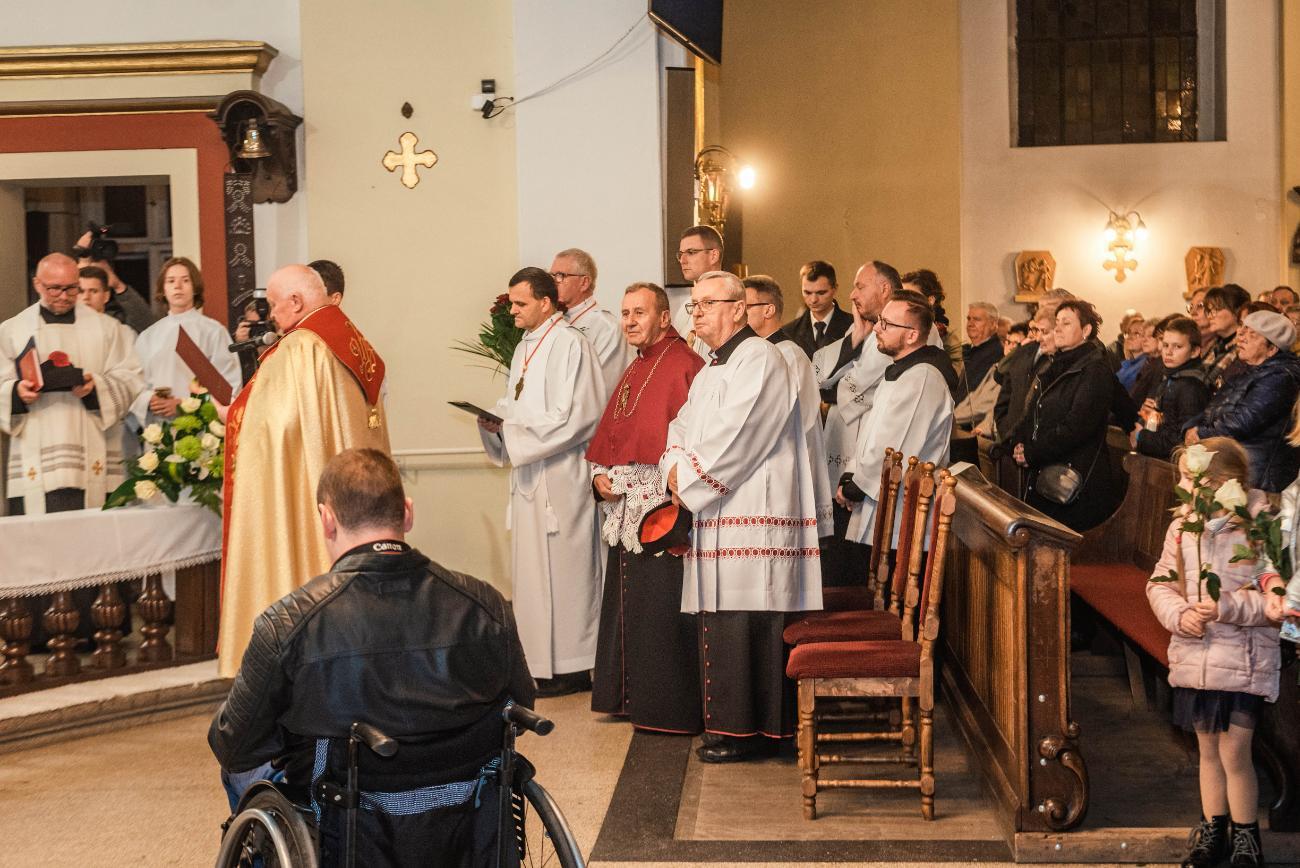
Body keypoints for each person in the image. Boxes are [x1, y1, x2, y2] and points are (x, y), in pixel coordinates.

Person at [209, 448, 534, 864]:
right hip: (464, 813)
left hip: (346, 817)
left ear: (327, 519)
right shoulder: (486, 605)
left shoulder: (289, 622)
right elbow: (520, 705)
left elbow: (235, 745)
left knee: (241, 768)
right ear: (407, 513)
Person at [661, 270, 821, 762]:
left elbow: (739, 435)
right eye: (694, 306)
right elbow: (679, 427)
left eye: (707, 304)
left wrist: (687, 478)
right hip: (719, 511)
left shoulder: (762, 359)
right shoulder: (711, 369)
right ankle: (728, 729)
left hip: (755, 514)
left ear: (737, 308)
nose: (697, 314)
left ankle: (756, 733)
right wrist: (673, 466)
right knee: (724, 620)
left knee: (750, 620)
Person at [217, 265, 390, 678]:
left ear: (296, 302)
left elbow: (277, 428)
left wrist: (234, 415)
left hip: (316, 499)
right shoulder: (353, 342)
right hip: (359, 500)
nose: (273, 317)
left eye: (275, 306)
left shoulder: (300, 347)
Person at [1146, 439, 1280, 868]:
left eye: (1193, 479)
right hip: (1197, 656)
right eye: (1184, 478)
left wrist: (1226, 608)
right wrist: (1179, 614)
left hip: (1243, 659)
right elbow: (1160, 584)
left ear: (1225, 482)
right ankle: (1213, 832)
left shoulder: (1258, 529)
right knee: (1206, 750)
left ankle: (1247, 839)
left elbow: (1275, 604)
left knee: (1235, 752)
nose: (1184, 488)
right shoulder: (1182, 528)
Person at [478, 267, 604, 697]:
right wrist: (496, 423)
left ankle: (572, 666)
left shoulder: (571, 344)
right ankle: (539, 665)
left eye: (520, 303)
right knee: (532, 573)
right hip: (530, 474)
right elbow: (515, 404)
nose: (512, 310)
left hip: (561, 477)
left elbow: (579, 415)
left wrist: (513, 433)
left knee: (566, 572)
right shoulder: (525, 347)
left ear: (546, 303)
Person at [588, 282, 705, 733]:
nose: (630, 321)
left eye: (639, 312)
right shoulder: (637, 364)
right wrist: (601, 475)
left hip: (661, 509)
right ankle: (627, 698)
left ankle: (664, 707)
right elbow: (615, 437)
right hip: (626, 505)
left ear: (664, 317)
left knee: (658, 608)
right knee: (628, 602)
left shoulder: (683, 365)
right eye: (625, 313)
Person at [0, 253, 144, 515]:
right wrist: (16, 393)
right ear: (37, 284)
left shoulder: (109, 329)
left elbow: (131, 377)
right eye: (54, 288)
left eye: (71, 288)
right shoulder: (12, 331)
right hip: (36, 457)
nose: (64, 296)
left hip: (94, 452)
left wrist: (95, 388)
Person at [837, 289, 956, 547]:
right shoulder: (900, 372)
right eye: (880, 320)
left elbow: (895, 446)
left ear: (912, 335)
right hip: (878, 500)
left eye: (887, 324)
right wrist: (851, 474)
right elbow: (870, 434)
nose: (876, 328)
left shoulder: (923, 378)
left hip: (902, 511)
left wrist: (856, 487)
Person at [1009, 300, 1123, 532]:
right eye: (1057, 322)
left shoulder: (1095, 370)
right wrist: (1018, 442)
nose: (1058, 328)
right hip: (1047, 471)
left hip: (1074, 481)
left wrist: (1032, 452)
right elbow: (1033, 413)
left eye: (1066, 323)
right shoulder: (1054, 365)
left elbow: (1077, 427)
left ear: (1086, 330)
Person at [744, 274, 833, 538]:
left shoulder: (788, 355)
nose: (738, 313)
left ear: (768, 310)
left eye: (745, 306)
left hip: (785, 471)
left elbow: (797, 422)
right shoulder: (759, 352)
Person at [1184, 311, 1300, 493]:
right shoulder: (1247, 372)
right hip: (1232, 470)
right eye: (1243, 330)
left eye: (1252, 334)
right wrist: (1190, 427)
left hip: (1257, 479)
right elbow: (1213, 408)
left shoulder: (1281, 377)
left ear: (1272, 349)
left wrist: (1201, 434)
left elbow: (1243, 421)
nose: (1242, 337)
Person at [129, 257, 241, 430]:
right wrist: (149, 400)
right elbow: (133, 383)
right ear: (163, 289)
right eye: (171, 281)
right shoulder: (148, 336)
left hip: (201, 428)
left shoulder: (213, 331)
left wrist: (183, 405)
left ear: (195, 288)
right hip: (159, 426)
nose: (178, 286)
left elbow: (228, 387)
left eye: (185, 280)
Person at [550, 247, 630, 399]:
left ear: (584, 283)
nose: (553, 283)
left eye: (560, 276)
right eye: (551, 276)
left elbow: (601, 386)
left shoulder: (606, 327)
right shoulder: (552, 320)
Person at [1132, 316, 1208, 461]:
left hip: (1172, 465)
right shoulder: (1172, 378)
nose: (1169, 352)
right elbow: (1166, 423)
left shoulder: (1191, 387)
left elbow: (1180, 441)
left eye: (1177, 347)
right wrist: (1149, 417)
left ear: (1195, 351)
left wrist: (1140, 436)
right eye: (1166, 345)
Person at [73, 229, 158, 334]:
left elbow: (149, 327)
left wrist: (118, 285)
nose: (86, 297)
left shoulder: (117, 323)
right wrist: (79, 267)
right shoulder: (65, 320)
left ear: (106, 295)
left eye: (94, 291)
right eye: (81, 291)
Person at [779, 260, 851, 361]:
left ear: (835, 289)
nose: (813, 300)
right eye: (807, 293)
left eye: (821, 293)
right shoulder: (788, 332)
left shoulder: (854, 326)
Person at [670, 225, 724, 342]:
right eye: (681, 254)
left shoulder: (729, 303)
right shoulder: (685, 307)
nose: (682, 260)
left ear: (713, 256)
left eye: (691, 252)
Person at [1202, 285, 1252, 393]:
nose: (1210, 316)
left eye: (1216, 310)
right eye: (1209, 311)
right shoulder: (1214, 345)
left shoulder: (1244, 347)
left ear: (1237, 312)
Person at [960, 301, 1004, 399]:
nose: (970, 324)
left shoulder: (997, 353)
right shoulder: (965, 350)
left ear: (993, 324)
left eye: (977, 319)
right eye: (969, 319)